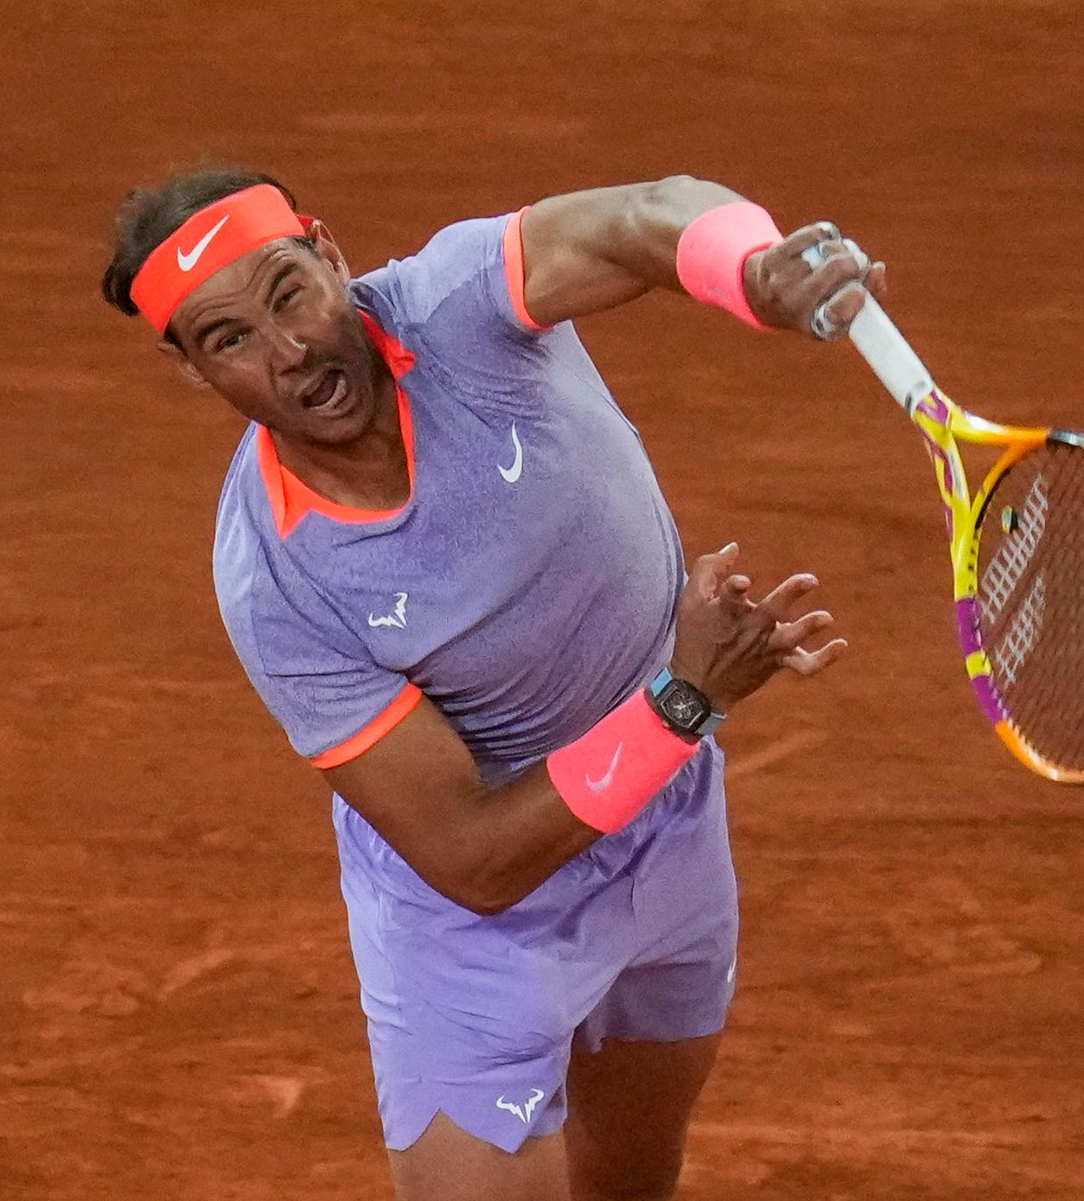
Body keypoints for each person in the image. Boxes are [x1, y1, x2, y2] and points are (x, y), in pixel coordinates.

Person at [101, 169, 884, 1201]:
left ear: (331, 254)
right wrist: (683, 700)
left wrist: (748, 269)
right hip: (474, 937)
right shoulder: (277, 577)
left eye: (289, 291)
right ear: (196, 371)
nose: (289, 351)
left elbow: (646, 216)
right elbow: (473, 857)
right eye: (231, 338)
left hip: (668, 839)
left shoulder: (457, 305)